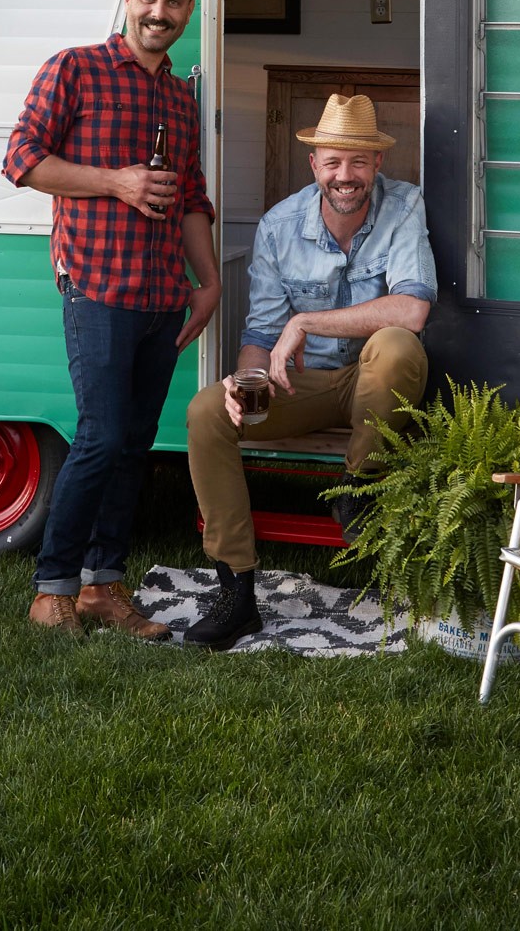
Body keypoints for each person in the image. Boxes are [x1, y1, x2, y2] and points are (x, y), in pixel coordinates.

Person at [3, 0, 219, 639]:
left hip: (162, 297)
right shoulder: (76, 68)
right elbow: (22, 160)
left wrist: (207, 282)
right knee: (98, 436)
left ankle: (104, 584)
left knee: (135, 444)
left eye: (175, 3)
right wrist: (116, 182)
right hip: (97, 287)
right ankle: (51, 587)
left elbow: (190, 197)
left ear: (188, 12)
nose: (161, 12)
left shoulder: (181, 98)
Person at [184, 92, 435, 649]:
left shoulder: (406, 206)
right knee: (206, 412)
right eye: (333, 162)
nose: (346, 176)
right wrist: (246, 382)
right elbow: (260, 333)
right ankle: (236, 590)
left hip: (379, 386)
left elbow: (412, 308)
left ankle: (360, 488)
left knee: (394, 344)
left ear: (378, 163)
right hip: (309, 385)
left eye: (359, 161)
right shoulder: (280, 225)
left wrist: (307, 321)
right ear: (313, 165)